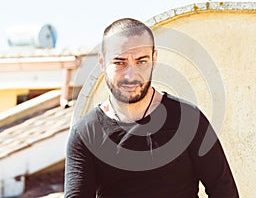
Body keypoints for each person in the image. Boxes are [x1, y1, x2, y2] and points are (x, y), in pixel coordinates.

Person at [64, 18, 239, 198]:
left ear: (154, 59)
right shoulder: (86, 133)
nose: (131, 75)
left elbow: (224, 192)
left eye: (141, 61)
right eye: (119, 62)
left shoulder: (188, 119)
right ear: (102, 63)